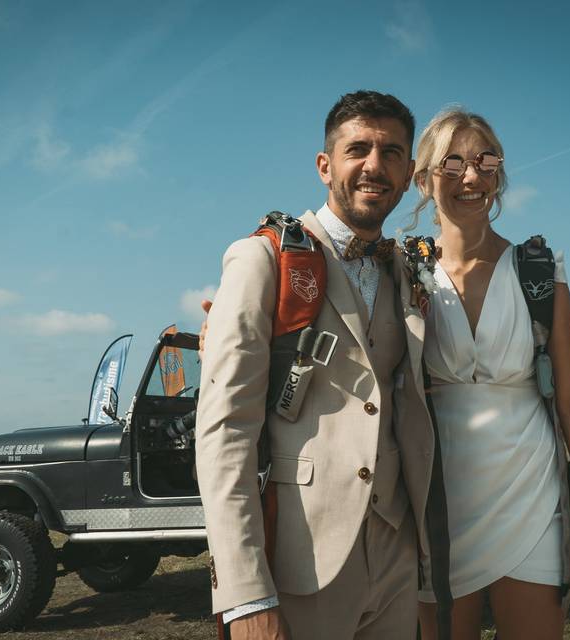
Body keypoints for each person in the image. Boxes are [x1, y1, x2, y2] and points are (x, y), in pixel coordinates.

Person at [195, 90, 436, 640]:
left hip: (397, 555)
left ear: (408, 174)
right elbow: (224, 430)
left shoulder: (409, 271)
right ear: (325, 166)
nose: (374, 165)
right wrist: (243, 593)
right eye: (359, 149)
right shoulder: (263, 259)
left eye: (392, 152)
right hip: (300, 560)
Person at [410, 107, 570, 640]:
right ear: (422, 179)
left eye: (485, 161)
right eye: (453, 162)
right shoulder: (404, 271)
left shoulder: (538, 270)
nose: (471, 176)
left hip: (529, 500)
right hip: (435, 508)